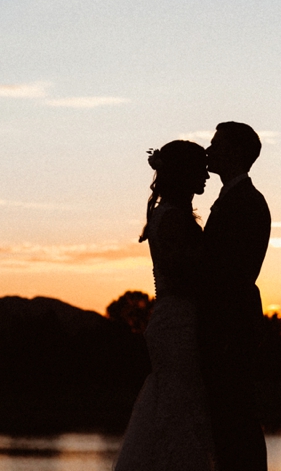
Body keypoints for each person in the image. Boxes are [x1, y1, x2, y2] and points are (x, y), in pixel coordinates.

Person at [114, 140, 216, 471]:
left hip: (177, 321)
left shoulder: (172, 215)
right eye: (200, 169)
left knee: (175, 406)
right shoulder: (172, 219)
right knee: (180, 410)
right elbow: (184, 277)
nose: (206, 175)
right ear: (184, 173)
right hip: (177, 324)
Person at [200, 121, 271, 471]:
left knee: (237, 420)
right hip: (225, 328)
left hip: (231, 330)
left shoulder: (247, 202)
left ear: (237, 152)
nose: (209, 150)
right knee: (227, 423)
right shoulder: (233, 198)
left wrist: (223, 334)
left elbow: (233, 275)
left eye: (216, 144)